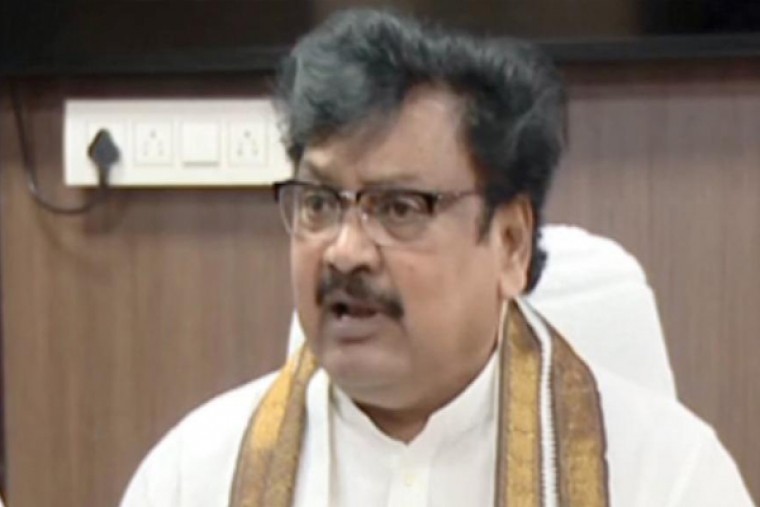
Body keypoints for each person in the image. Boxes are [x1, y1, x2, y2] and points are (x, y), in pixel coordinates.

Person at [120, 9, 755, 507]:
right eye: (319, 203)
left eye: (399, 208)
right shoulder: (193, 478)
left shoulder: (665, 479)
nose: (345, 251)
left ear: (510, 243)